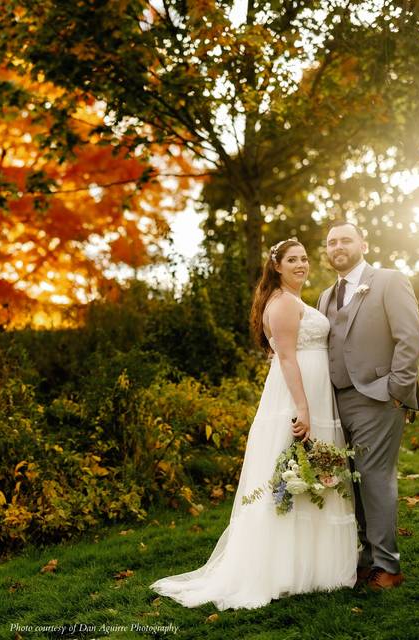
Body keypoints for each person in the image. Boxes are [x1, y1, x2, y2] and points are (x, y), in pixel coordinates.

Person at [150, 238, 357, 610]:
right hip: (299, 393)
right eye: (292, 260)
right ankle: (282, 570)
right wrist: (303, 409)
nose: (301, 265)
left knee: (311, 473)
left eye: (305, 259)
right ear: (276, 266)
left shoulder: (292, 300)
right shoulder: (280, 304)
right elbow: (289, 359)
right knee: (291, 473)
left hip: (314, 389)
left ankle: (315, 567)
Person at [318, 221, 419, 591]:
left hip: (378, 396)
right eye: (332, 242)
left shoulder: (389, 280)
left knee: (375, 479)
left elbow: (410, 337)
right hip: (336, 400)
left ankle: (388, 566)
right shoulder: (325, 296)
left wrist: (397, 389)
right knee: (351, 481)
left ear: (363, 243)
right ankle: (364, 562)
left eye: (345, 239)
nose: (338, 246)